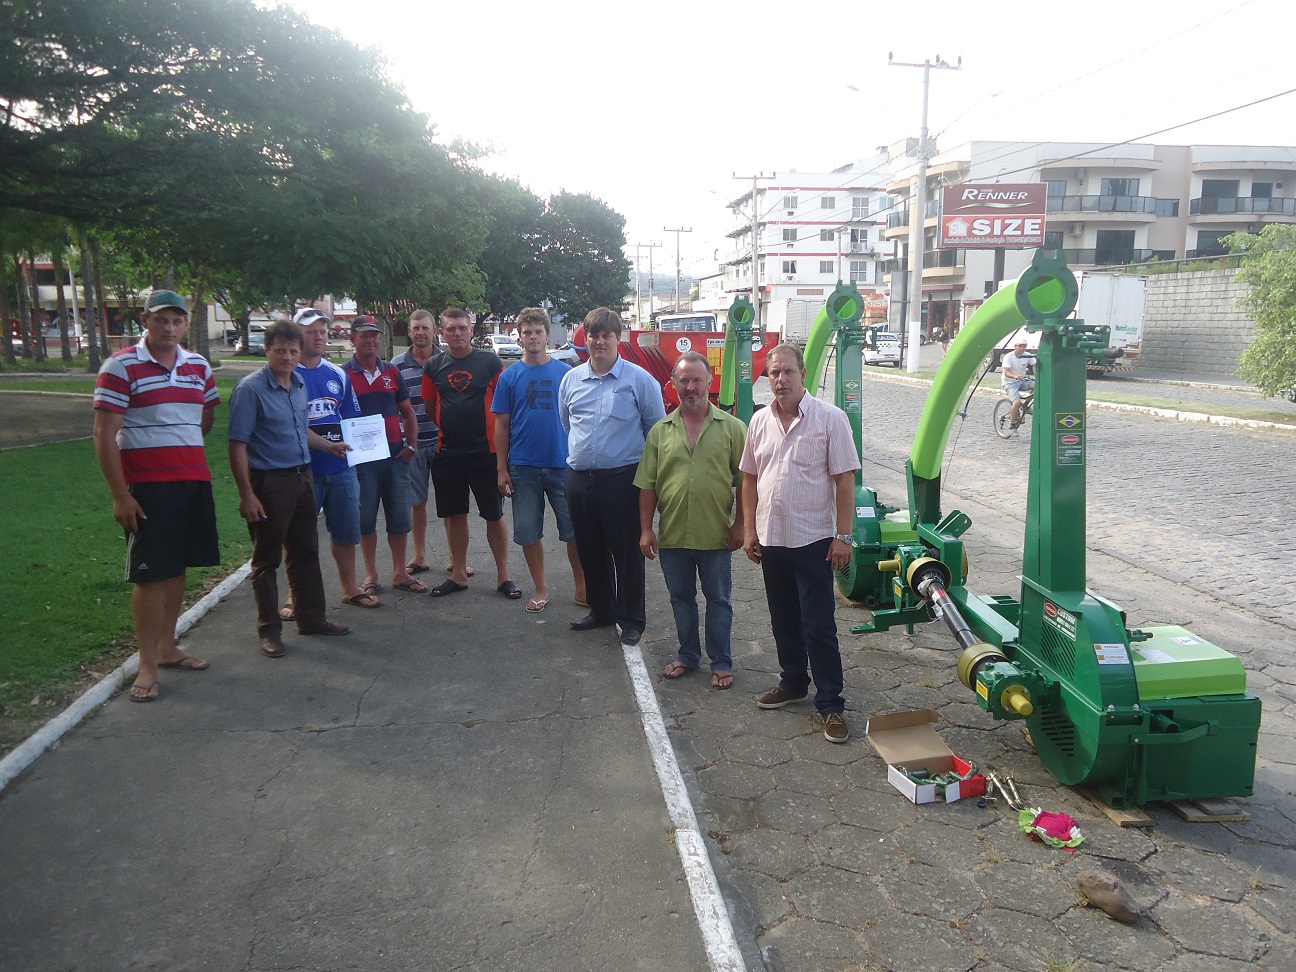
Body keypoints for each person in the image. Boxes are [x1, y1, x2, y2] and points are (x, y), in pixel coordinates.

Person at [93, 290, 220, 702]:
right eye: (161, 319)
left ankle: (167, 647)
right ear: (144, 320)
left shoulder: (198, 366)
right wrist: (120, 496)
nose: (169, 327)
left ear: (186, 323)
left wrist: (176, 447)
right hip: (147, 488)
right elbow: (104, 435)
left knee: (179, 564)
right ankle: (146, 665)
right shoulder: (120, 366)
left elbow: (205, 418)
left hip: (192, 480)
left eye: (177, 320)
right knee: (150, 575)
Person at [740, 343, 861, 743]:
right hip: (772, 539)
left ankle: (831, 704)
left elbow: (846, 479)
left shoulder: (830, 419)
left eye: (788, 372)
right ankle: (793, 682)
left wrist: (844, 536)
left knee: (819, 624)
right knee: (783, 619)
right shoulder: (759, 421)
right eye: (774, 373)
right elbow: (750, 478)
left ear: (803, 373)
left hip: (814, 540)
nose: (781, 379)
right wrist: (749, 530)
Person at [229, 320, 351, 658]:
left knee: (306, 552)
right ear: (267, 349)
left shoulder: (298, 385)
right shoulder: (249, 390)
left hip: (302, 478)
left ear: (300, 353)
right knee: (266, 560)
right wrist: (246, 494)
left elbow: (301, 432)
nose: (287, 357)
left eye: (293, 351)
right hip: (268, 482)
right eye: (280, 350)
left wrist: (329, 446)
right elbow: (238, 444)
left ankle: (312, 618)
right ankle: (269, 630)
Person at [636, 352, 746, 689]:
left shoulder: (733, 429)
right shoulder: (660, 431)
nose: (691, 387)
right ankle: (687, 655)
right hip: (673, 536)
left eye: (697, 379)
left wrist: (741, 524)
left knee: (719, 601)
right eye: (683, 380)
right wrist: (645, 529)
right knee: (681, 599)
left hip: (716, 535)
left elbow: (746, 482)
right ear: (673, 385)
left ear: (709, 382)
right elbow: (647, 484)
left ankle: (721, 661)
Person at [558, 306, 666, 645]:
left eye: (607, 335)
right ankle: (600, 611)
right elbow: (566, 424)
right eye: (594, 335)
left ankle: (631, 618)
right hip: (579, 479)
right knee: (589, 548)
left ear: (618, 338)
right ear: (585, 339)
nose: (600, 341)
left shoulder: (639, 380)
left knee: (626, 551)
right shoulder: (570, 379)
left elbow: (655, 430)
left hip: (623, 479)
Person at [492, 306, 587, 613]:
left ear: (548, 335)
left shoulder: (566, 374)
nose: (533, 337)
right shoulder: (509, 377)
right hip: (523, 466)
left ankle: (582, 587)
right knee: (529, 531)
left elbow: (579, 419)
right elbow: (502, 426)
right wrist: (502, 469)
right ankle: (541, 588)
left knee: (574, 530)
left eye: (538, 332)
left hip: (563, 464)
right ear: (519, 338)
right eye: (527, 332)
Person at [420, 307, 519, 599]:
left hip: (485, 453)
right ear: (443, 333)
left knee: (493, 514)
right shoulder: (434, 365)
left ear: (472, 330)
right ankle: (459, 574)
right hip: (448, 453)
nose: (457, 333)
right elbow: (429, 407)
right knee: (455, 514)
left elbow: (503, 409)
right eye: (451, 329)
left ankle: (504, 576)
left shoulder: (490, 362)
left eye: (462, 328)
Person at [291, 308, 379, 612]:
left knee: (346, 532)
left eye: (322, 331)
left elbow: (351, 418)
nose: (318, 336)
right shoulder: (287, 374)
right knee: (300, 535)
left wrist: (367, 447)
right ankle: (296, 594)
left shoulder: (336, 375)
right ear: (297, 335)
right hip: (302, 471)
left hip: (340, 469)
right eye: (310, 331)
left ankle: (350, 588)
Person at [342, 316, 426, 596]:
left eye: (375, 335)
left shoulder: (391, 372)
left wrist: (411, 446)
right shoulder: (343, 375)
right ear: (352, 339)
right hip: (362, 462)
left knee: (400, 517)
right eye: (364, 335)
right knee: (366, 519)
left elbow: (407, 412)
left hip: (395, 458)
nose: (370, 340)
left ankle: (400, 572)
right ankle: (371, 574)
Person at [392, 309, 458, 579]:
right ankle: (419, 556)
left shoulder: (448, 362)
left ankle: (456, 557)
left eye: (426, 328)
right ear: (409, 331)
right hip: (413, 444)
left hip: (444, 441)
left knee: (450, 503)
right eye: (416, 328)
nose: (420, 332)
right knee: (417, 502)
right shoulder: (396, 365)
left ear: (435, 332)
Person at [1001, 339, 1035, 427]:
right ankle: (1012, 425)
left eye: (1024, 346)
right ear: (1015, 346)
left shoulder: (1027, 355)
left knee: (1038, 386)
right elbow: (1006, 372)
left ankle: (1025, 406)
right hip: (1010, 383)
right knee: (1016, 402)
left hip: (1022, 381)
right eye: (1020, 346)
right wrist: (1016, 376)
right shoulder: (1008, 356)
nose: (1022, 348)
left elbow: (1036, 364)